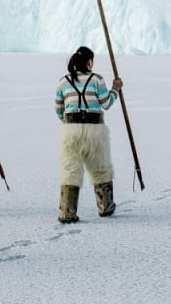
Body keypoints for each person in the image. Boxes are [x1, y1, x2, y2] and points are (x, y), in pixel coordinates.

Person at [52, 46, 124, 223]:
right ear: (89, 62)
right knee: (100, 168)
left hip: (70, 131)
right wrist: (116, 89)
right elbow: (106, 103)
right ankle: (105, 206)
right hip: (95, 130)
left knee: (70, 169)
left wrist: (69, 122)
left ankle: (67, 212)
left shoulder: (63, 81)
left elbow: (59, 109)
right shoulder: (97, 80)